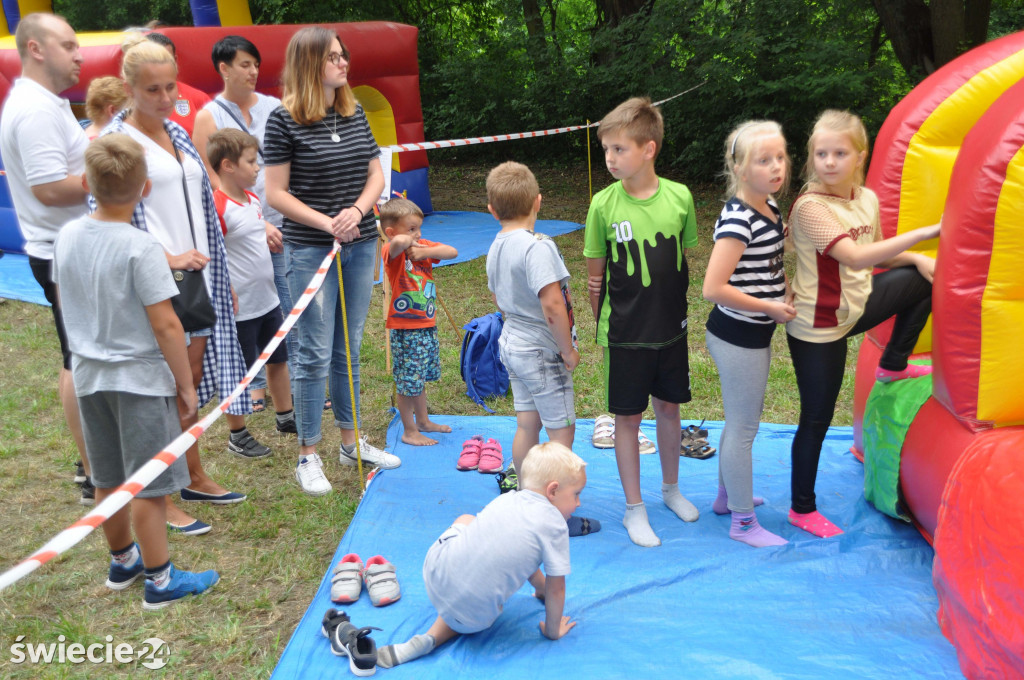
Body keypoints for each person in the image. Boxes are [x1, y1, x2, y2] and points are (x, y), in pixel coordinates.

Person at [52, 133, 219, 609]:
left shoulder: (66, 236)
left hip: (89, 378)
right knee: (150, 483)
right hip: (140, 382)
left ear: (86, 182)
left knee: (106, 475)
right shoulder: (142, 247)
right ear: (145, 189)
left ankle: (122, 559)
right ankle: (160, 580)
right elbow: (166, 324)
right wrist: (186, 387)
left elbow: (66, 298)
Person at [102, 35, 256, 534]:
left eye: (171, 87)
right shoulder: (116, 144)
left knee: (186, 387)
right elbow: (105, 218)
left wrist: (218, 276)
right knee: (164, 390)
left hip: (198, 278)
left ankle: (192, 473)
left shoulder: (180, 134)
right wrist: (166, 258)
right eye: (153, 90)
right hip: (156, 283)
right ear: (129, 88)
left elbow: (206, 205)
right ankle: (159, 493)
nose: (167, 99)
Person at [786, 110, 941, 538]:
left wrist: (913, 259)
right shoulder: (810, 206)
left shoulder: (865, 199)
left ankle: (893, 364)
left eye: (839, 153)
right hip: (819, 327)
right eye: (821, 153)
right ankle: (802, 508)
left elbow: (874, 254)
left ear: (860, 155)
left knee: (921, 279)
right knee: (816, 419)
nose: (829, 161)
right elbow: (853, 257)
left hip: (856, 306)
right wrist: (926, 235)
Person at [264, 26, 399, 496]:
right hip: (310, 249)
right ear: (309, 64)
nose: (344, 64)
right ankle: (307, 454)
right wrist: (327, 223)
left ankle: (350, 440)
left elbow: (376, 170)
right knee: (313, 352)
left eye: (344, 56)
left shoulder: (353, 111)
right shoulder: (283, 121)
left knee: (349, 346)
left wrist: (358, 212)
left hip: (359, 244)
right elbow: (275, 193)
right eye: (334, 58)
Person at [583, 97, 700, 548]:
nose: (610, 159)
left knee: (669, 409)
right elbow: (596, 280)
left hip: (671, 330)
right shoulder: (602, 206)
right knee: (627, 419)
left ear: (648, 149)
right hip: (626, 335)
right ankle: (635, 508)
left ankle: (670, 489)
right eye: (607, 150)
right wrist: (610, 328)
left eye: (619, 149)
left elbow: (681, 259)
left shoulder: (680, 197)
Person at [377, 441, 584, 668]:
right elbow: (558, 587)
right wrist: (553, 631)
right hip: (472, 617)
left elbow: (506, 547)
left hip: (434, 574)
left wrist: (541, 588)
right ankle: (436, 637)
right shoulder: (555, 526)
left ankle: (430, 636)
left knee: (467, 521)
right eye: (576, 494)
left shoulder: (508, 498)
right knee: (469, 605)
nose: (578, 503)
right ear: (552, 490)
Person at [0, 13, 94, 504]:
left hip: (69, 248)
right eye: (68, 44)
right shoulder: (35, 109)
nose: (79, 53)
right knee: (79, 360)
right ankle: (92, 468)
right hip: (62, 252)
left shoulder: (48, 104)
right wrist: (111, 177)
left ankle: (93, 462)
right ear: (36, 49)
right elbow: (49, 189)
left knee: (80, 355)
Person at [485, 161, 599, 537]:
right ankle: (555, 518)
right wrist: (566, 350)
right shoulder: (538, 247)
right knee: (561, 434)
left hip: (512, 343)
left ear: (491, 209)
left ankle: (524, 496)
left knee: (526, 424)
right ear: (538, 201)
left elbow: (498, 297)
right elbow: (552, 304)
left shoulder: (496, 245)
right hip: (541, 351)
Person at [702, 121, 794, 548]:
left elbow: (770, 267)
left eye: (780, 156)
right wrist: (769, 307)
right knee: (744, 429)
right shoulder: (739, 219)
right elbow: (713, 288)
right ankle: (743, 522)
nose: (776, 166)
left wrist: (785, 294)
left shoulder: (770, 207)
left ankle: (727, 496)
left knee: (738, 423)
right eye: (763, 160)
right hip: (736, 336)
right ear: (739, 168)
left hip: (753, 334)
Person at [192, 35, 295, 413]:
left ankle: (293, 384)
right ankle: (253, 388)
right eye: (244, 65)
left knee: (286, 305)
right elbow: (209, 177)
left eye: (256, 64)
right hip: (239, 227)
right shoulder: (209, 116)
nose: (253, 72)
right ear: (223, 68)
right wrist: (252, 221)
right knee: (247, 313)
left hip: (282, 222)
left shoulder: (274, 107)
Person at [207, 128, 297, 450]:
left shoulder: (253, 199)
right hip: (239, 309)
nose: (258, 167)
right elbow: (210, 255)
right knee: (238, 371)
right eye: (251, 161)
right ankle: (238, 435)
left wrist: (267, 235)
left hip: (268, 302)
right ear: (228, 166)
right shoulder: (218, 207)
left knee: (277, 360)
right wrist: (225, 287)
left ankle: (285, 416)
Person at [379, 197, 457, 445]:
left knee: (419, 378)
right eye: (411, 228)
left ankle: (423, 421)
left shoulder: (421, 246)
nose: (418, 234)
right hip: (406, 328)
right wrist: (401, 238)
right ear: (391, 232)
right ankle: (409, 430)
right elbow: (397, 243)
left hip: (426, 325)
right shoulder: (392, 252)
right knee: (407, 382)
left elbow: (451, 251)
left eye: (419, 228)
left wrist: (425, 249)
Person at [145, 32, 211, 136]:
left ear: (175, 61)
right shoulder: (130, 101)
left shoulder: (199, 99)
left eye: (167, 60)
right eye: (154, 60)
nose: (161, 67)